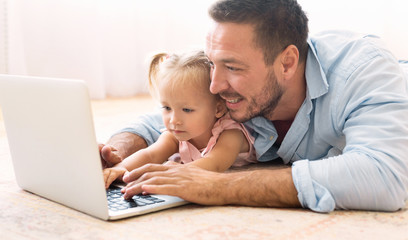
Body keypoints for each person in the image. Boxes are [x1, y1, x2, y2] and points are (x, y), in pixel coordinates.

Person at [99, 0, 408, 212]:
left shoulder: (362, 69)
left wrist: (220, 185)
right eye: (213, 63)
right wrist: (113, 154)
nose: (214, 85)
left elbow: (386, 176)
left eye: (232, 67)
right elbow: (169, 119)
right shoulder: (233, 81)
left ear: (287, 62)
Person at [102, 50, 257, 190]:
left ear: (218, 109)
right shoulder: (175, 134)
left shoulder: (231, 133)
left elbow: (214, 163)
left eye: (187, 110)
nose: (174, 120)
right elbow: (151, 155)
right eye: (167, 108)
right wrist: (120, 168)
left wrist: (172, 172)